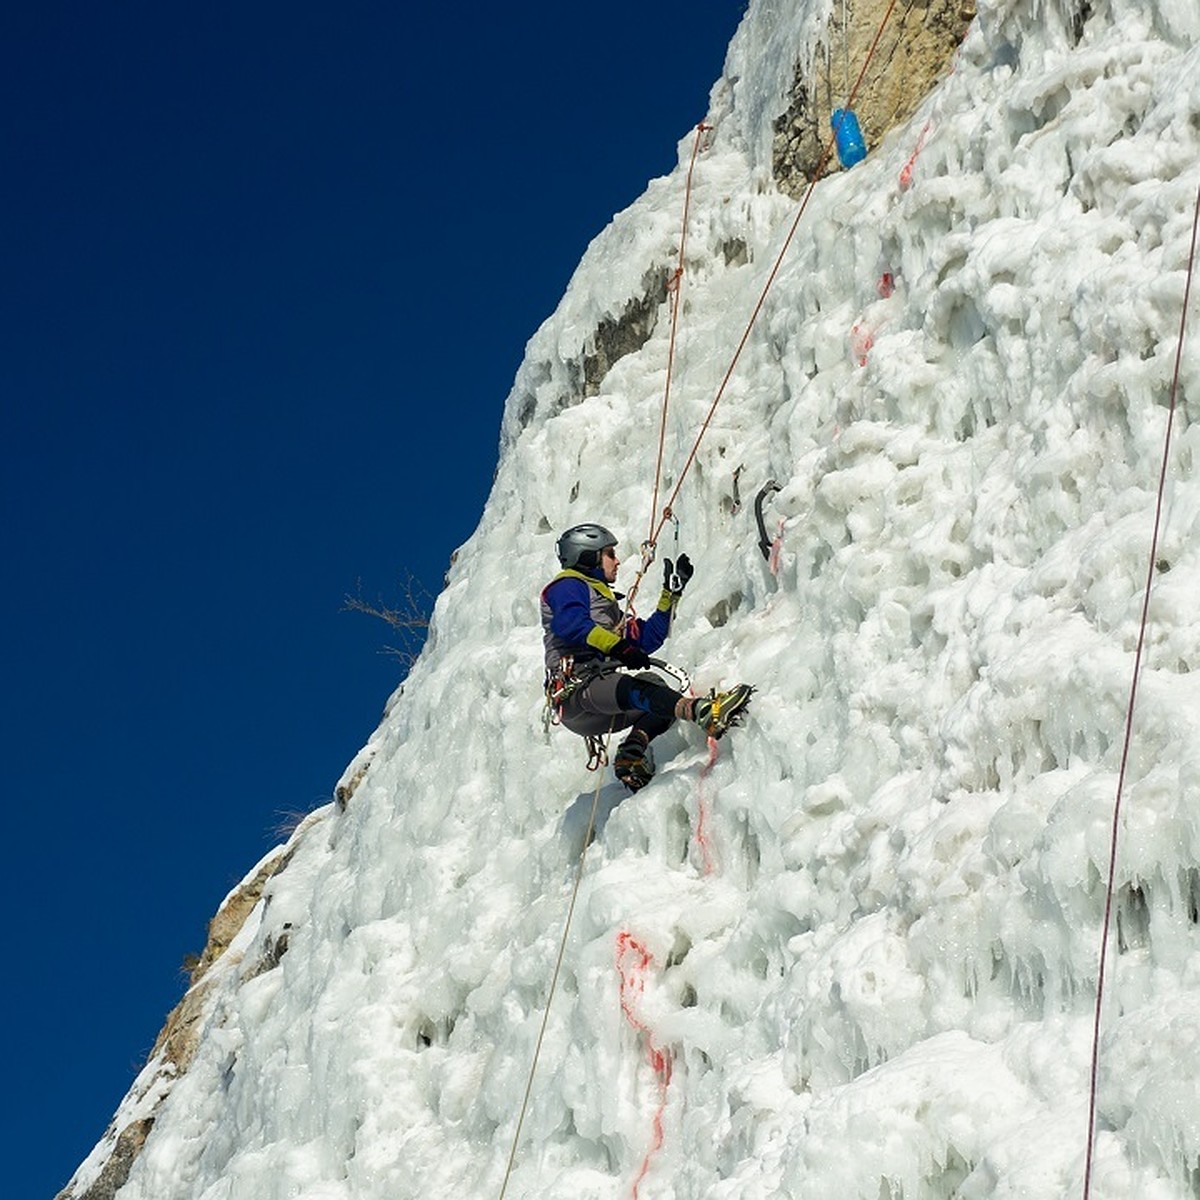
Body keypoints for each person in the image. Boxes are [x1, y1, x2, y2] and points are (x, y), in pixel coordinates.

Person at [541, 522, 753, 791]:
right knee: (638, 689)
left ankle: (631, 755)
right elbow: (570, 624)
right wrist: (617, 648)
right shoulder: (568, 586)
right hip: (578, 690)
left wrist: (670, 595)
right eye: (609, 554)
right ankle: (704, 712)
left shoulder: (605, 606)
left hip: (594, 703)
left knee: (657, 690)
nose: (617, 562)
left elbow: (646, 639)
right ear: (588, 557)